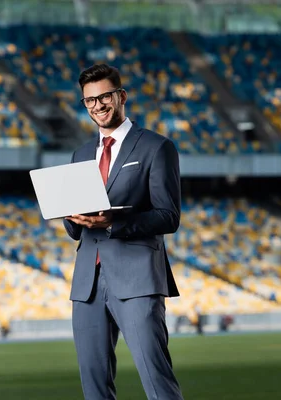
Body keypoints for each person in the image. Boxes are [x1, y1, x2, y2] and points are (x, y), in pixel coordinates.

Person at [63, 63, 184, 400]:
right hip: (87, 282)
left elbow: (168, 216)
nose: (98, 106)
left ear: (121, 96)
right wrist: (72, 217)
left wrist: (114, 223)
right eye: (89, 101)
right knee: (94, 387)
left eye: (104, 97)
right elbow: (74, 230)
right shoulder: (81, 154)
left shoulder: (156, 147)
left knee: (157, 379)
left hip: (138, 279)